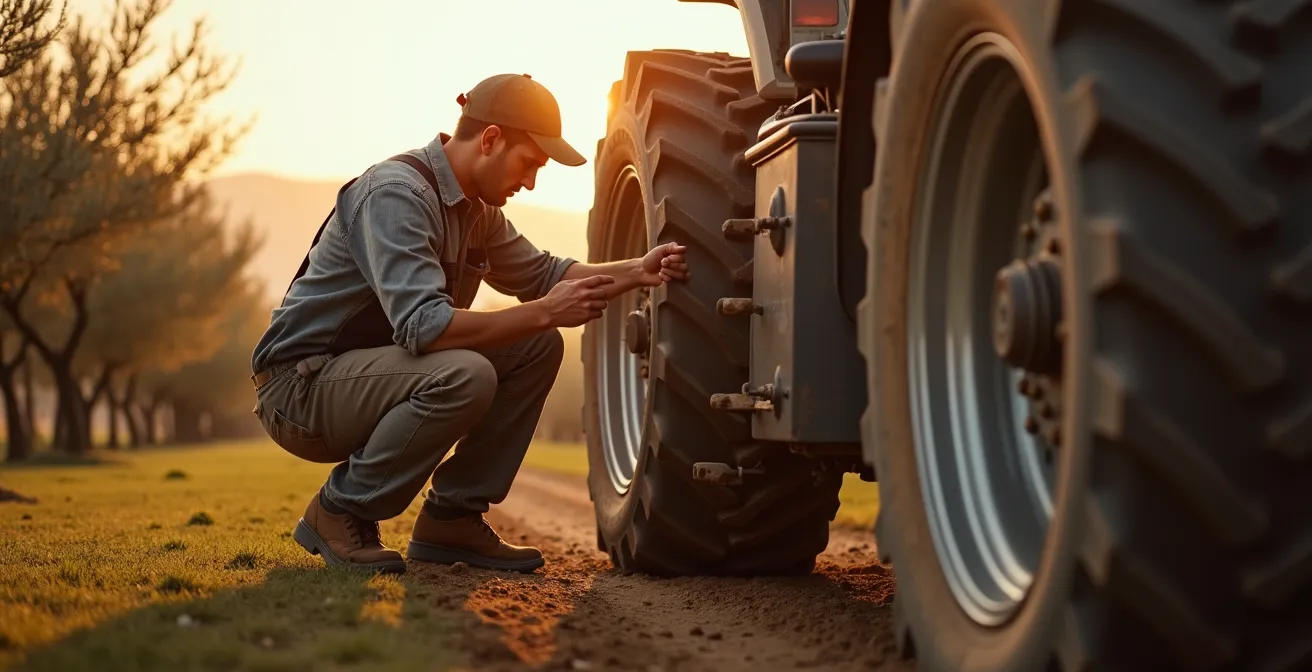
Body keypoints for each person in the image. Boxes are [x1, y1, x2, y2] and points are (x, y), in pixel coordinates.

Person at [248, 73, 688, 575]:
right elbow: (425, 328)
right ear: (491, 139)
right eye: (529, 163)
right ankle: (339, 511)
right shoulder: (395, 195)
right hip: (300, 390)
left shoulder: (475, 209)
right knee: (466, 372)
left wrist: (637, 270)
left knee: (537, 346)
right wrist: (546, 310)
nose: (530, 182)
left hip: (358, 377)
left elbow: (545, 275)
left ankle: (452, 519)